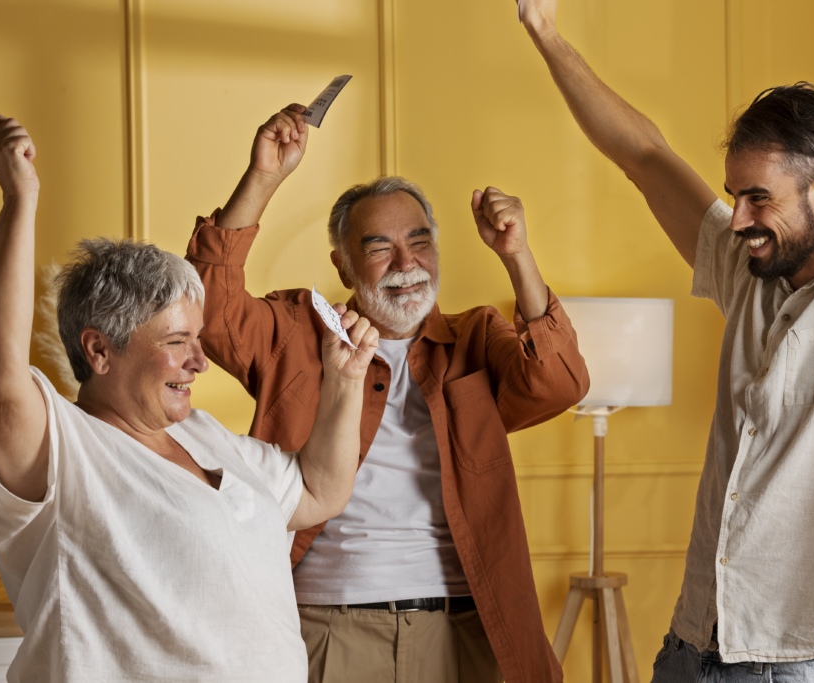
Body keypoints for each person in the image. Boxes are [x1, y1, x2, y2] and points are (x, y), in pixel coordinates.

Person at [517, 0, 814, 679]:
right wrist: (544, 31)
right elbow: (644, 156)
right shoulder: (753, 270)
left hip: (813, 666)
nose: (737, 219)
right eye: (735, 196)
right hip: (692, 647)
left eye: (758, 198)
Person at [0, 114, 379, 682]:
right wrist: (20, 198)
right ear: (99, 350)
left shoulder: (202, 435)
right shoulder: (65, 448)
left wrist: (347, 379)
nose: (199, 362)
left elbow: (319, 491)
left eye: (197, 339)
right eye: (176, 342)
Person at [185, 105, 589, 683]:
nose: (406, 263)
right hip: (328, 630)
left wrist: (516, 254)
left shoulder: (476, 338)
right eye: (379, 248)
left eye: (419, 241)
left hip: (465, 632)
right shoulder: (299, 332)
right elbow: (206, 306)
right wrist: (263, 177)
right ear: (343, 266)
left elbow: (560, 383)